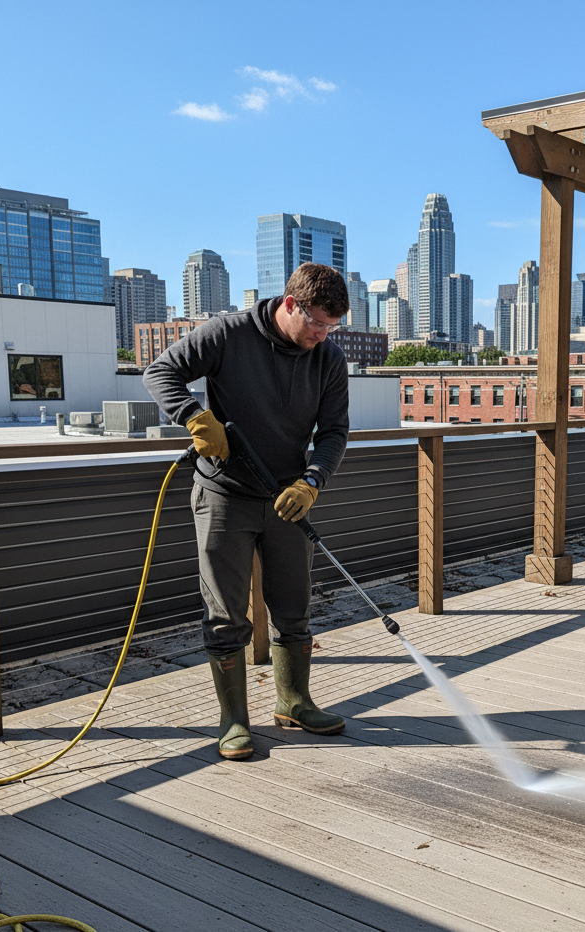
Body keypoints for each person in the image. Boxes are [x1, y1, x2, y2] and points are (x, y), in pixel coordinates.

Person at [143, 263, 350, 759]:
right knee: (226, 613)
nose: (322, 336)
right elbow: (159, 371)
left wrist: (312, 480)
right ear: (290, 304)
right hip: (223, 496)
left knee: (294, 608)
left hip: (286, 498)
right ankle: (234, 719)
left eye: (331, 328)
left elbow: (335, 433)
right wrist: (194, 416)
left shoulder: (328, 359)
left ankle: (294, 702)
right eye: (317, 324)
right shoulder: (227, 334)